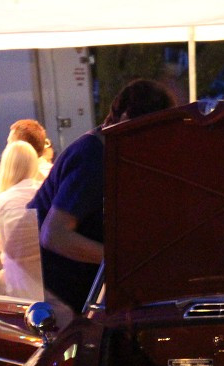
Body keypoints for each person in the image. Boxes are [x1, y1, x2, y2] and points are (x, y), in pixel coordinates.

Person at [29, 79, 174, 314]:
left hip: (77, 289)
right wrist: (124, 261)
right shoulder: (93, 159)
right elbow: (54, 235)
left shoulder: (111, 154)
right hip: (59, 295)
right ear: (126, 122)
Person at [0, 140, 42, 300]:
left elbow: (5, 248)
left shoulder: (0, 203)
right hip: (48, 275)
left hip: (19, 283)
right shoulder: (45, 193)